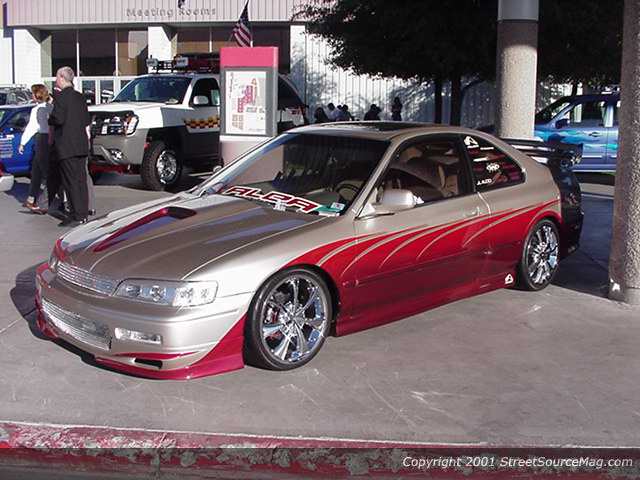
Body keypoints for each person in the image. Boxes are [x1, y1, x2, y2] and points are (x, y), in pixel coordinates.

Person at [48, 66, 91, 227]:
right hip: (80, 144)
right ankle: (83, 213)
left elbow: (58, 119)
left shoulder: (61, 97)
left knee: (70, 181)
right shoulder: (80, 97)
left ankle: (76, 215)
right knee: (81, 180)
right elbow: (86, 120)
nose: (55, 80)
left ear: (62, 78)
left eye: (57, 77)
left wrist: (50, 118)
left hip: (67, 145)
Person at [20, 84, 53, 214]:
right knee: (37, 170)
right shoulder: (51, 107)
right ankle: (31, 198)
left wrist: (22, 143)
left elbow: (31, 127)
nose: (31, 96)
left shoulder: (36, 110)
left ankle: (41, 201)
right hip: (50, 139)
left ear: (37, 95)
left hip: (41, 139)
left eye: (33, 93)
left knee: (43, 171)